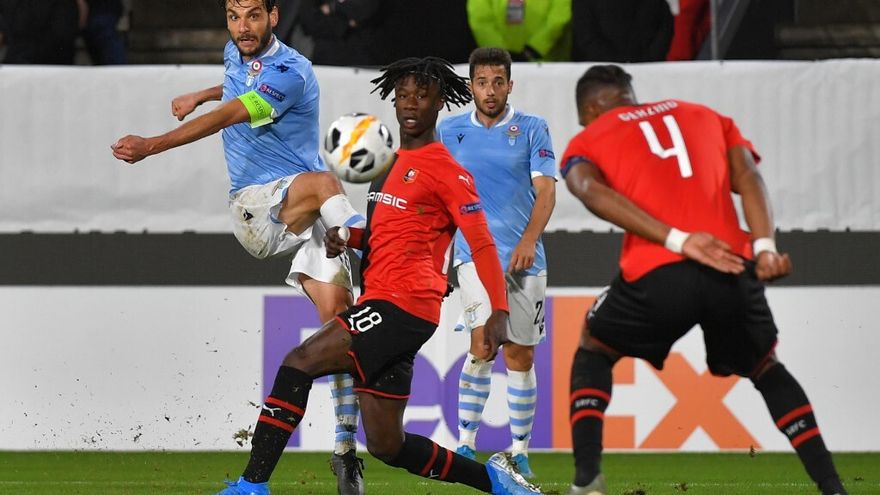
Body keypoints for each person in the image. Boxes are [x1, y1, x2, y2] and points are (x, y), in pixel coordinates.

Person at [212, 56, 543, 495]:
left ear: (440, 102)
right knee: (388, 444)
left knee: (299, 362)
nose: (411, 103)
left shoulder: (447, 171)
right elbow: (388, 234)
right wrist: (347, 236)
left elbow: (481, 244)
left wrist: (498, 311)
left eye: (422, 95)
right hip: (388, 305)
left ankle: (252, 485)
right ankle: (496, 482)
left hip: (402, 307)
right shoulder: (386, 165)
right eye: (403, 95)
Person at [110, 1, 367, 494]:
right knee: (325, 183)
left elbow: (232, 112)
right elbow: (233, 95)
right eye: (233, 15)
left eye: (252, 15)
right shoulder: (238, 54)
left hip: (305, 209)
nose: (242, 27)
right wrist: (202, 95)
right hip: (258, 208)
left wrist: (154, 143)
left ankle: (344, 450)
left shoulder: (291, 71)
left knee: (339, 327)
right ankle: (376, 247)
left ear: (274, 16)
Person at [559, 64, 849, 495]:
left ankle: (587, 480)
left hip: (659, 274)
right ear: (629, 95)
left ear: (590, 110)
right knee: (766, 366)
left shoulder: (589, 137)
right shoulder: (706, 114)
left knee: (594, 346)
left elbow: (586, 188)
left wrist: (677, 240)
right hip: (730, 266)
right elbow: (748, 175)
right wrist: (765, 247)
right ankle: (832, 486)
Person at [437, 47, 556, 479]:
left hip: (525, 261)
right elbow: (438, 198)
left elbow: (547, 192)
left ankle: (520, 450)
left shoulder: (532, 128)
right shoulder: (449, 131)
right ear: (471, 86)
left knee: (520, 354)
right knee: (484, 344)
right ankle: (466, 443)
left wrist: (529, 240)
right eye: (482, 82)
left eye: (498, 82)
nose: (490, 91)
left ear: (510, 85)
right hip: (473, 256)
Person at [466, 0, 571, 62]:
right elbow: (481, 21)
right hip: (498, 67)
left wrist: (535, 49)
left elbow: (559, 17)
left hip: (546, 64)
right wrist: (499, 52)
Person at [570, 0, 673, 63]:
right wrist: (615, 64)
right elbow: (585, 34)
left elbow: (665, 27)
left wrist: (650, 59)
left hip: (649, 69)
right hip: (599, 74)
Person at [298, 0, 380, 66]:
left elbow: (364, 12)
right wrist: (345, 24)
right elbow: (308, 23)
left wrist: (332, 7)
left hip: (362, 59)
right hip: (325, 59)